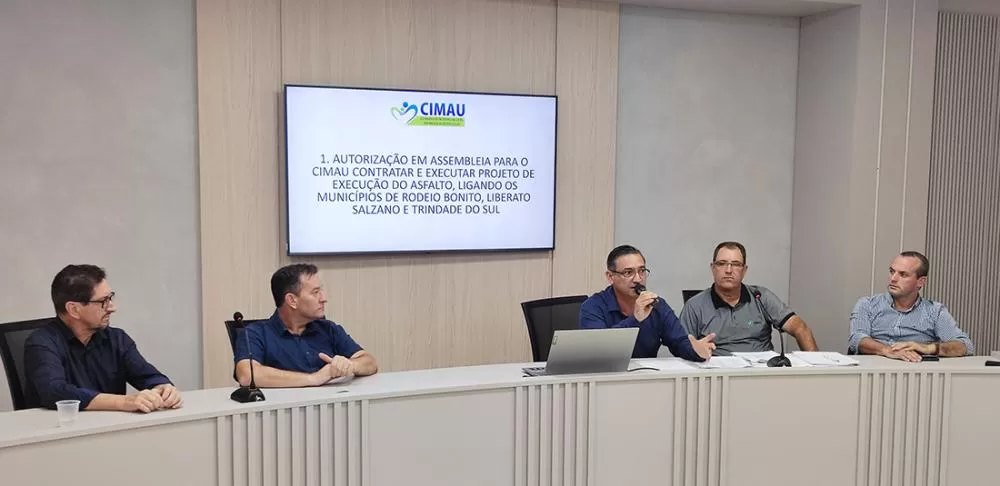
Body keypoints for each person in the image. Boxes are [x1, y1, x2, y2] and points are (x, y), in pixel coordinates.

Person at [24, 264, 181, 412]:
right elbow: (54, 392)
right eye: (103, 301)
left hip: (111, 427)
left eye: (111, 298)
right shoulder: (41, 343)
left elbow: (147, 376)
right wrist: (123, 402)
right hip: (60, 429)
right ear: (74, 309)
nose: (112, 307)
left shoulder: (117, 339)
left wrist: (162, 387)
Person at [234, 263, 378, 387]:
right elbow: (247, 375)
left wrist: (349, 365)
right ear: (292, 300)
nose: (324, 298)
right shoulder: (255, 333)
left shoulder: (328, 329)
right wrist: (314, 378)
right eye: (315, 292)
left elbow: (370, 362)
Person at [579, 245, 715, 361]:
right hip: (606, 378)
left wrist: (695, 351)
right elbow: (599, 351)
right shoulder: (592, 306)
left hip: (646, 378)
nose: (638, 279)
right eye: (628, 273)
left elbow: (679, 343)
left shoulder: (657, 305)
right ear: (610, 277)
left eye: (642, 271)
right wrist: (635, 319)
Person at [680, 241, 818, 355]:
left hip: (761, 372)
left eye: (736, 264)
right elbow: (681, 346)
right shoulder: (694, 305)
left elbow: (801, 328)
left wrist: (817, 369)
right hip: (717, 375)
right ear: (713, 268)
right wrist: (694, 350)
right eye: (721, 263)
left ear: (744, 270)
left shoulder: (761, 297)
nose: (728, 270)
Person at [849, 251, 973, 362]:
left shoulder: (934, 311)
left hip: (916, 370)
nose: (893, 279)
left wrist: (927, 348)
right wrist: (887, 350)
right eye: (892, 271)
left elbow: (965, 346)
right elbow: (857, 339)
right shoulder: (868, 304)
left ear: (921, 281)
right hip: (873, 370)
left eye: (903, 275)